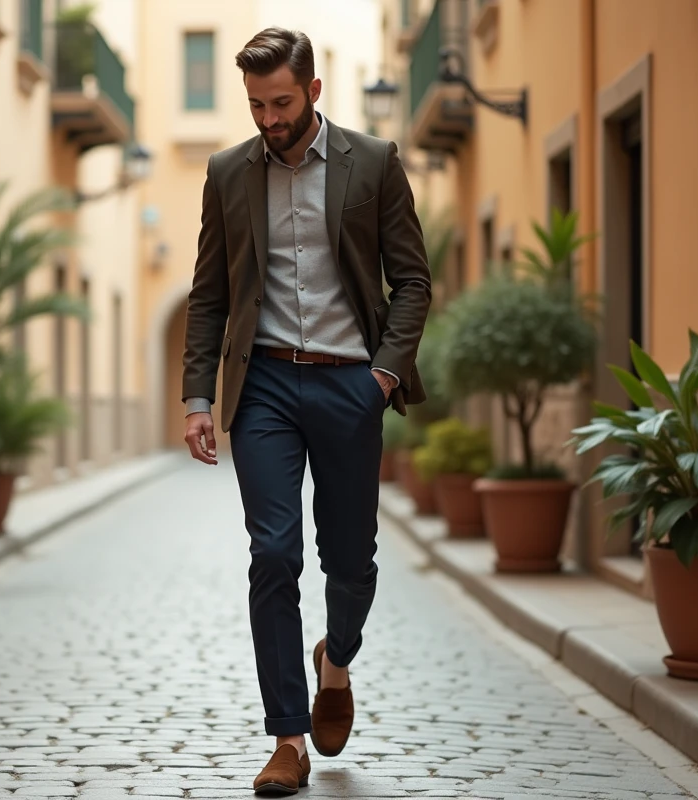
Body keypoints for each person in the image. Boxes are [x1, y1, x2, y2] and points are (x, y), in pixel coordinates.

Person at [180, 26, 432, 795]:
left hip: (350, 386)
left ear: (314, 92)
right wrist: (198, 396)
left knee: (350, 561)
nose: (268, 118)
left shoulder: (374, 164)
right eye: (256, 104)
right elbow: (212, 293)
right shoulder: (228, 173)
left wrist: (382, 379)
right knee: (274, 555)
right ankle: (287, 738)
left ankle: (338, 658)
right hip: (263, 391)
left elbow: (412, 283)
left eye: (281, 102)